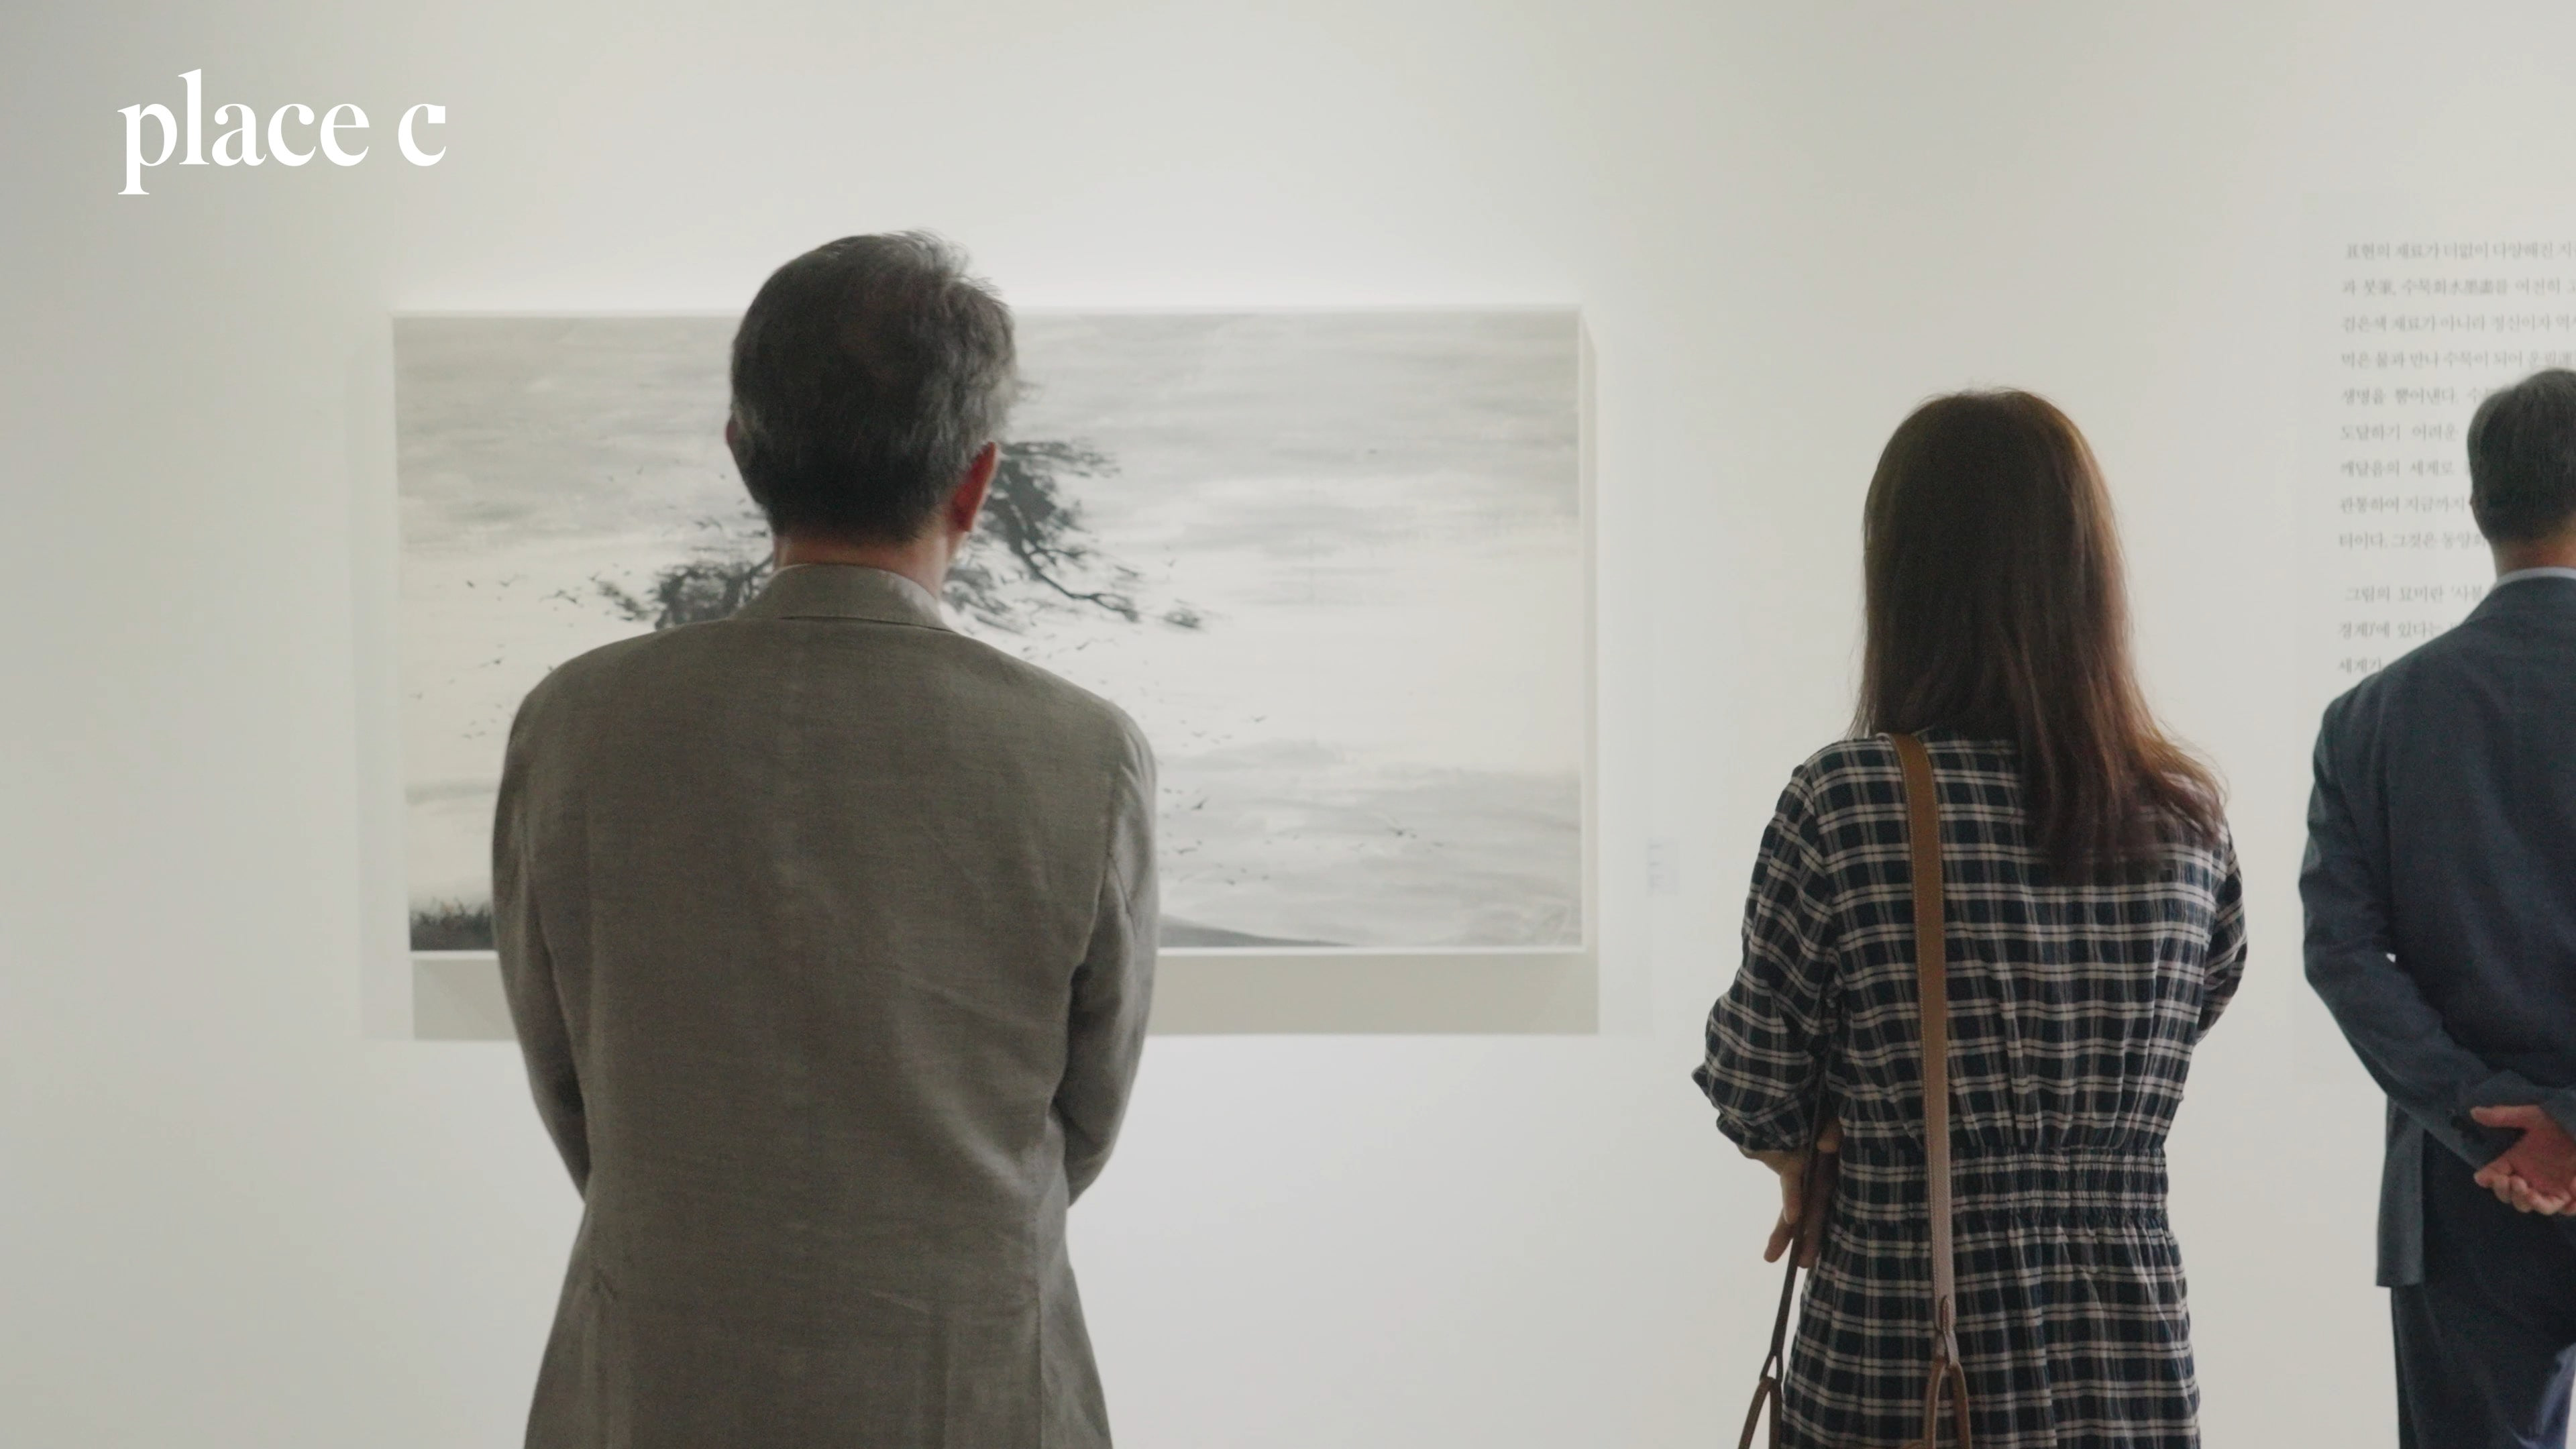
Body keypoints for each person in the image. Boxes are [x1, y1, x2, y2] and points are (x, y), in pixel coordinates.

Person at [492, 233, 1159, 1449]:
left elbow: (571, 1083)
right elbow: (1088, 1109)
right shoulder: (1083, 753)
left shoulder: (576, 724)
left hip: (660, 1373)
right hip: (971, 1377)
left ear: (744, 454)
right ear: (975, 481)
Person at [1695, 390, 2246, 1448]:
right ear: (2088, 577)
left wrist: (1819, 1144)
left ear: (1903, 579)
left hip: (1901, 1342)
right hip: (2126, 1359)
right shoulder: (2186, 820)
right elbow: (2199, 1001)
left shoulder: (1849, 800)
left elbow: (1759, 1080)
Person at [2304, 368, 2576, 1449]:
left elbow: (2342, 954)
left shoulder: (2370, 717)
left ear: (2477, 507)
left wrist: (2481, 1119)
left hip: (2463, 1195)